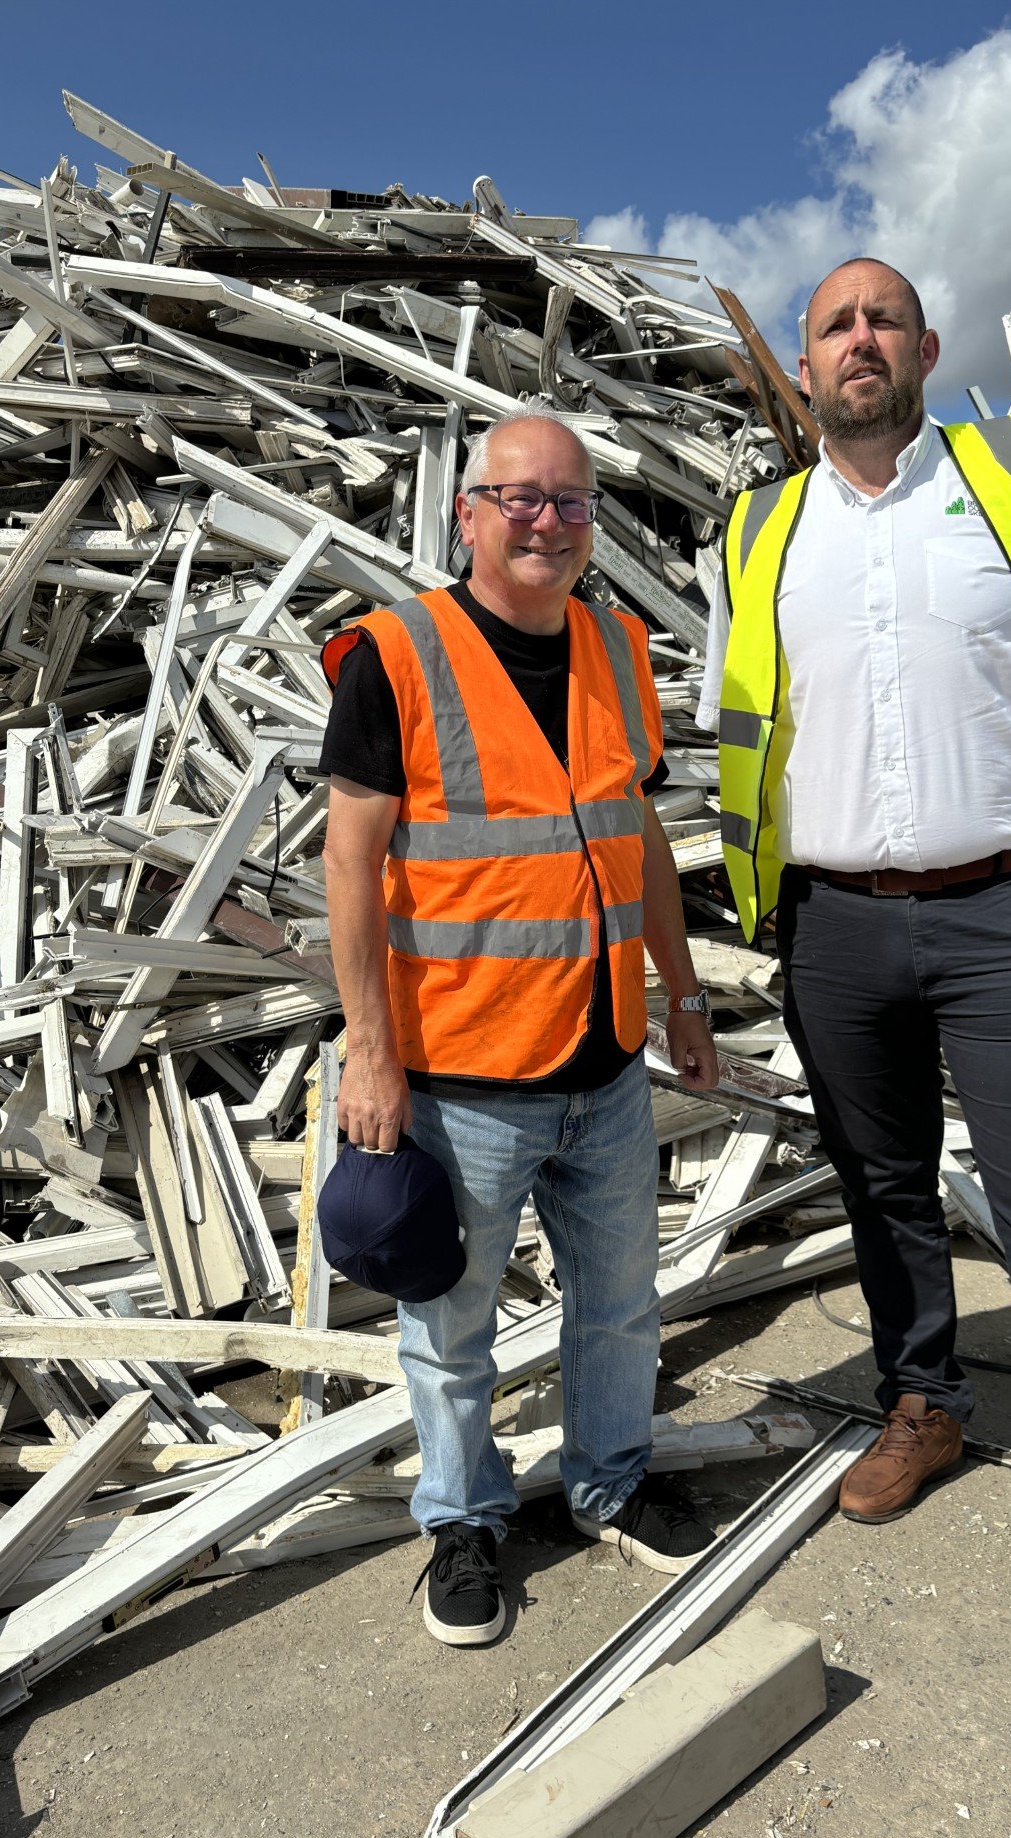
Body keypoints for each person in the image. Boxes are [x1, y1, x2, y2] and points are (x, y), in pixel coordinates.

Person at [697, 259, 1011, 1670]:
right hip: (836, 920)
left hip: (1008, 912)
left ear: (925, 347)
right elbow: (746, 717)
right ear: (803, 370)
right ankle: (926, 1403)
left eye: (883, 319)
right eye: (834, 326)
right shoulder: (760, 531)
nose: (860, 341)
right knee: (883, 1185)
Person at [321, 398, 718, 1647]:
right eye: (521, 499)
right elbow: (349, 863)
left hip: (605, 1063)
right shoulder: (397, 654)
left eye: (570, 501)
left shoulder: (617, 646)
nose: (547, 522)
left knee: (622, 1300)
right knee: (451, 1328)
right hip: (461, 1077)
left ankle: (612, 1480)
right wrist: (370, 1053)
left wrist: (683, 992)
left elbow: (638, 835)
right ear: (469, 514)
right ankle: (463, 1520)